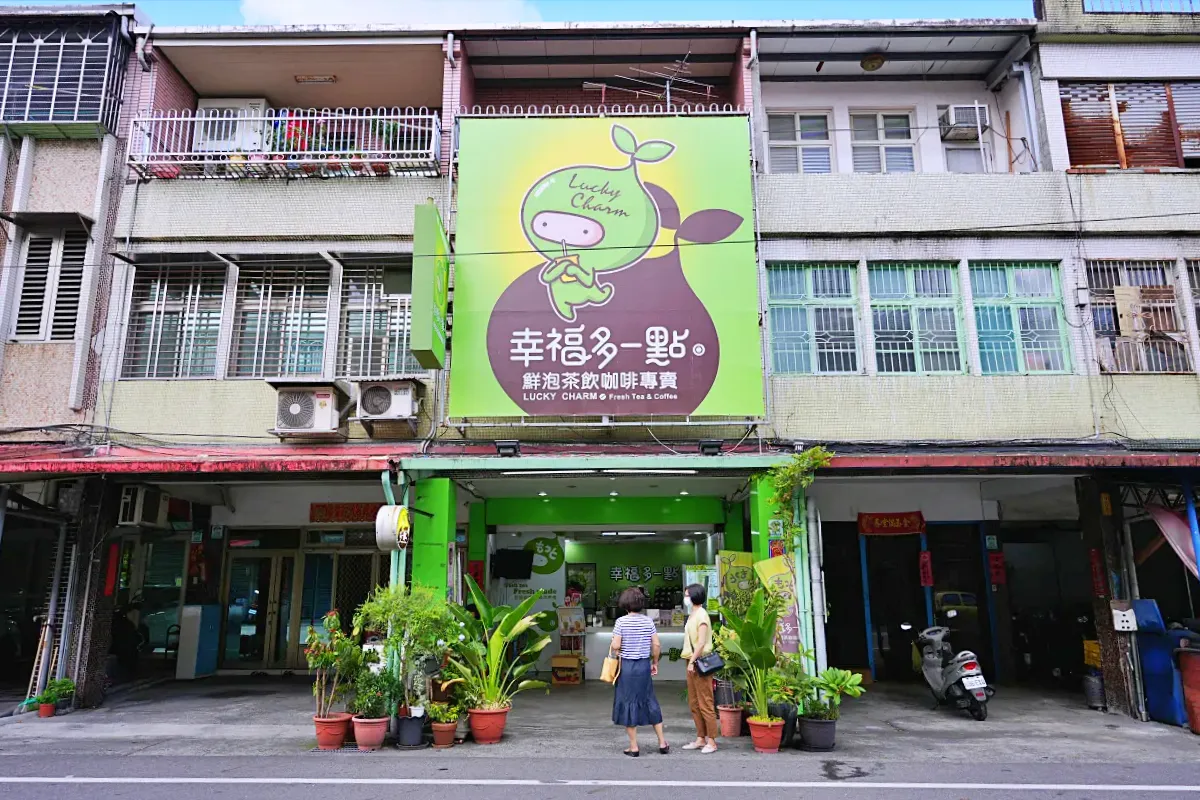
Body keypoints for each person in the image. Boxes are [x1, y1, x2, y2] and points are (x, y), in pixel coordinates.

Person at [610, 587, 669, 756]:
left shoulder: (621, 622)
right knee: (650, 700)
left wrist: (616, 646)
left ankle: (634, 747)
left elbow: (616, 645)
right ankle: (662, 743)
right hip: (644, 666)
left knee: (629, 702)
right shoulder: (648, 621)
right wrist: (655, 662)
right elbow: (656, 645)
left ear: (624, 604)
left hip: (627, 668)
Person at [682, 582, 718, 753]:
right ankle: (700, 738)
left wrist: (691, 662)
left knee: (705, 701)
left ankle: (712, 740)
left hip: (700, 661)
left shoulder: (702, 615)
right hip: (691, 660)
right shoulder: (692, 614)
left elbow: (702, 642)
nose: (685, 598)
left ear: (695, 596)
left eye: (687, 595)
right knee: (694, 702)